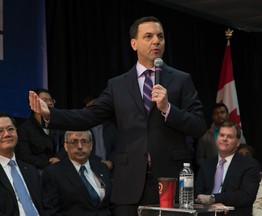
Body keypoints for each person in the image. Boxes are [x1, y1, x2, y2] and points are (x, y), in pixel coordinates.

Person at [29, 16, 206, 216]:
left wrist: (168, 108)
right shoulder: (118, 85)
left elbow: (199, 125)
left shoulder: (181, 80)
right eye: (148, 36)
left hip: (170, 182)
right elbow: (89, 116)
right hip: (129, 183)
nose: (156, 41)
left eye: (160, 36)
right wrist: (50, 114)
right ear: (134, 44)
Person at [195, 121, 261, 216]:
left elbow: (246, 195)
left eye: (230, 137)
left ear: (238, 143)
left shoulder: (249, 165)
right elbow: (198, 191)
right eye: (222, 135)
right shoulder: (207, 163)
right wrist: (212, 205)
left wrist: (214, 199)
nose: (224, 139)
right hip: (207, 211)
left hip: (233, 212)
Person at [42, 130, 112, 216]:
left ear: (91, 145)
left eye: (84, 141)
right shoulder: (53, 172)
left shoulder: (102, 168)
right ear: (65, 146)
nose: (80, 146)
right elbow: (50, 211)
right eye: (74, 141)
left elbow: (110, 204)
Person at [0, 112, 56, 216]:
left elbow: (47, 207)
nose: (7, 134)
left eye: (11, 129)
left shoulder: (30, 170)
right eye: (0, 131)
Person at [15, 88, 66, 172]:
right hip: (37, 170)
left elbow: (65, 145)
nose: (50, 103)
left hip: (59, 166)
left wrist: (58, 157)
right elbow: (24, 156)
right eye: (45, 100)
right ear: (33, 104)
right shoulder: (24, 129)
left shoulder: (58, 125)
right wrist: (48, 163)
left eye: (51, 100)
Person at [196, 103, 246, 167]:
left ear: (227, 115)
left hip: (234, 169)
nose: (219, 115)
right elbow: (200, 157)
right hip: (212, 172)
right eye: (216, 113)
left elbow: (244, 149)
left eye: (222, 112)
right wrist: (209, 167)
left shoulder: (236, 131)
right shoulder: (205, 136)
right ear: (213, 117)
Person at [83, 95, 117, 171]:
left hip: (109, 167)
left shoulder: (110, 126)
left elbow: (117, 147)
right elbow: (81, 149)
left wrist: (111, 161)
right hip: (88, 167)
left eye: (96, 107)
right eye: (90, 107)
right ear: (85, 109)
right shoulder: (83, 127)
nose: (94, 110)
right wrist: (99, 161)